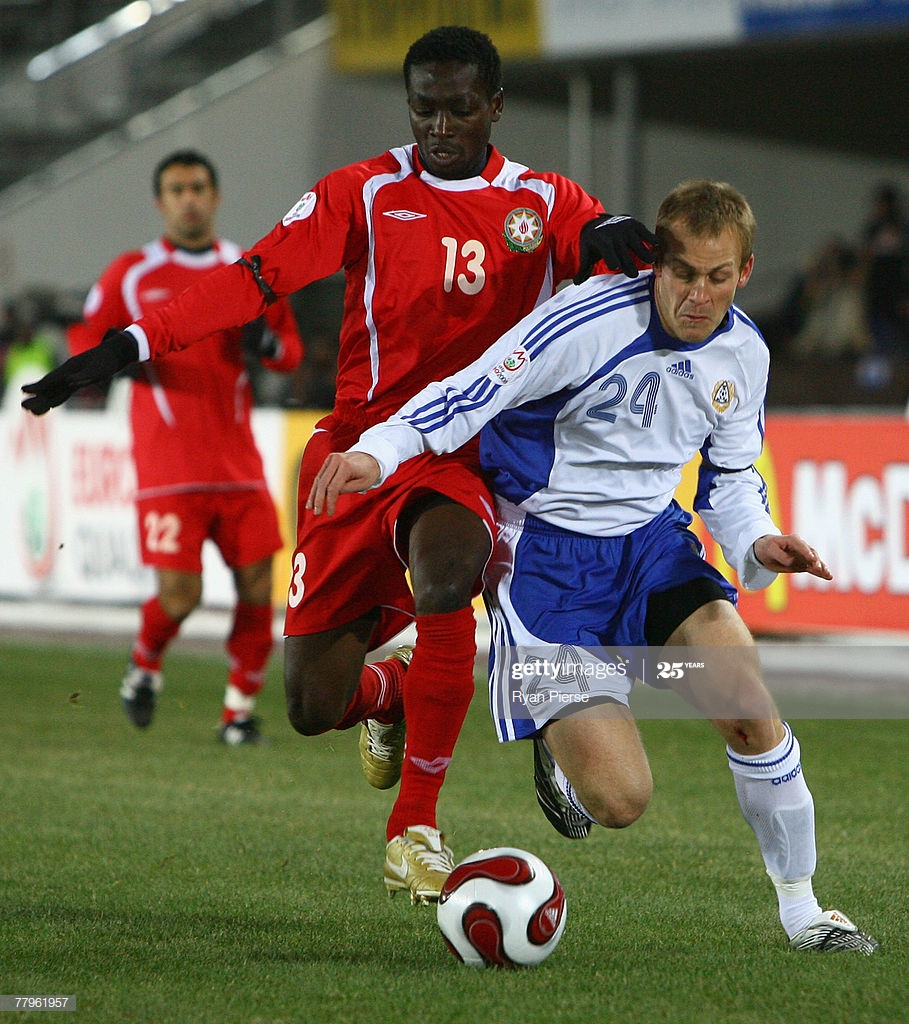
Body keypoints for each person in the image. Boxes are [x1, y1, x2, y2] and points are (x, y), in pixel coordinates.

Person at [21, 27, 656, 902]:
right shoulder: (360, 194)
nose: (440, 125)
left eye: (460, 108)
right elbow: (250, 280)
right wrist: (127, 344)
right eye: (424, 107)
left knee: (451, 572)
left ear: (495, 107)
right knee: (313, 704)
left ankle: (416, 830)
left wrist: (626, 236)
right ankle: (390, 696)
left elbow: (625, 257)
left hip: (466, 456)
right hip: (358, 450)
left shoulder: (542, 203)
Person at [306, 179, 879, 953]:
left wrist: (755, 542)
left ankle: (804, 911)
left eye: (718, 277)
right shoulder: (583, 322)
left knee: (748, 706)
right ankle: (563, 736)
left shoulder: (743, 352)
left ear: (745, 272)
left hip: (650, 548)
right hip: (544, 562)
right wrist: (379, 450)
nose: (698, 296)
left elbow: (731, 481)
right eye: (682, 273)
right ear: (654, 265)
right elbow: (465, 394)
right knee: (618, 801)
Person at [66, 149, 304, 745]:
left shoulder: (248, 268)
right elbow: (85, 338)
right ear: (160, 201)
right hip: (169, 465)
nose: (189, 198)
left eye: (198, 187)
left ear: (216, 196)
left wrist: (261, 339)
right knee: (181, 595)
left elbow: (289, 352)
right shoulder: (132, 273)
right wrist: (109, 366)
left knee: (257, 587)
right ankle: (144, 663)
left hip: (239, 463)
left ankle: (238, 712)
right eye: (177, 189)